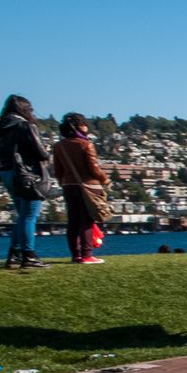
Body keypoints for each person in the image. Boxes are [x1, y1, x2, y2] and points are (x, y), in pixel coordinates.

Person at [0, 95, 48, 269]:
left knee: (22, 214)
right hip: (27, 174)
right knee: (30, 215)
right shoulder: (25, 126)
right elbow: (41, 152)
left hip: (7, 173)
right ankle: (28, 255)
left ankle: (14, 253)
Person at [51, 112, 109, 265]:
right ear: (79, 127)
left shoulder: (59, 146)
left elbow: (57, 170)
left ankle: (75, 254)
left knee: (73, 222)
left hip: (68, 186)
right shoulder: (86, 145)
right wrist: (105, 179)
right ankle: (87, 254)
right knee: (87, 221)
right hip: (88, 186)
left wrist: (63, 182)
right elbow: (93, 169)